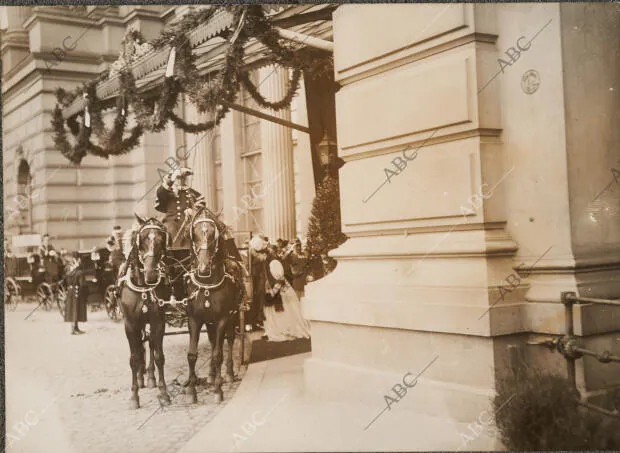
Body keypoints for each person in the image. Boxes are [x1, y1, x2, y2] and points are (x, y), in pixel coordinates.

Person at [155, 167, 242, 262]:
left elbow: (201, 207)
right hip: (171, 224)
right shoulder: (167, 192)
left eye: (183, 177)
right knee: (163, 233)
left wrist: (193, 210)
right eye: (178, 178)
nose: (180, 180)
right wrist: (171, 179)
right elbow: (160, 193)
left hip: (189, 224)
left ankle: (231, 261)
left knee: (214, 229)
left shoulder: (192, 193)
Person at [263, 259, 311, 342]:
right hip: (288, 302)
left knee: (285, 316)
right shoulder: (281, 278)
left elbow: (274, 292)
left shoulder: (279, 280)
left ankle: (285, 330)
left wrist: (268, 294)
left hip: (286, 303)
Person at [64, 252, 87, 335]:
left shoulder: (68, 268)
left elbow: (66, 278)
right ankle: (74, 329)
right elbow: (82, 284)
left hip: (70, 291)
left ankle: (75, 328)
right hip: (77, 292)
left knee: (73, 310)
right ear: (78, 260)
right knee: (76, 310)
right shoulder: (79, 272)